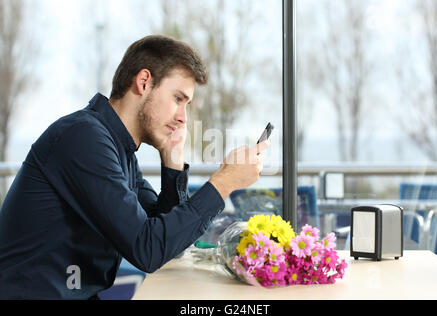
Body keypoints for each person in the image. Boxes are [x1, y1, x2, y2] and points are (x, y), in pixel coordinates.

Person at [0, 35, 269, 299]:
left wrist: (172, 161)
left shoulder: (119, 150)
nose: (183, 118)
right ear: (144, 82)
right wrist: (224, 182)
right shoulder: (83, 138)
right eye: (178, 99)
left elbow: (166, 242)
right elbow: (148, 249)